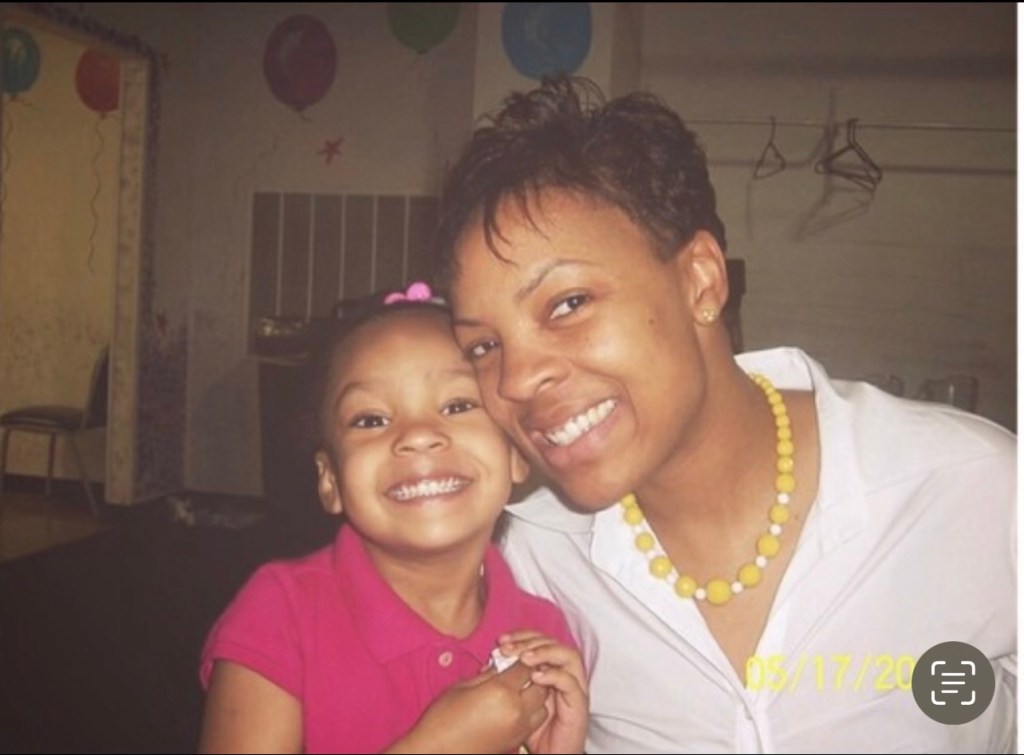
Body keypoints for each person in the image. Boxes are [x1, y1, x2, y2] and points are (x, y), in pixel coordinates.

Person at [433, 75, 1016, 753]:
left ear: (701, 282)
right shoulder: (536, 560)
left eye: (567, 304)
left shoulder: (972, 492)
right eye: (483, 345)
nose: (519, 379)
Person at [198, 283, 588, 754]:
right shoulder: (281, 615)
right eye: (370, 420)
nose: (419, 435)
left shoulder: (543, 636)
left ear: (516, 454)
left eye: (458, 406)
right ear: (331, 480)